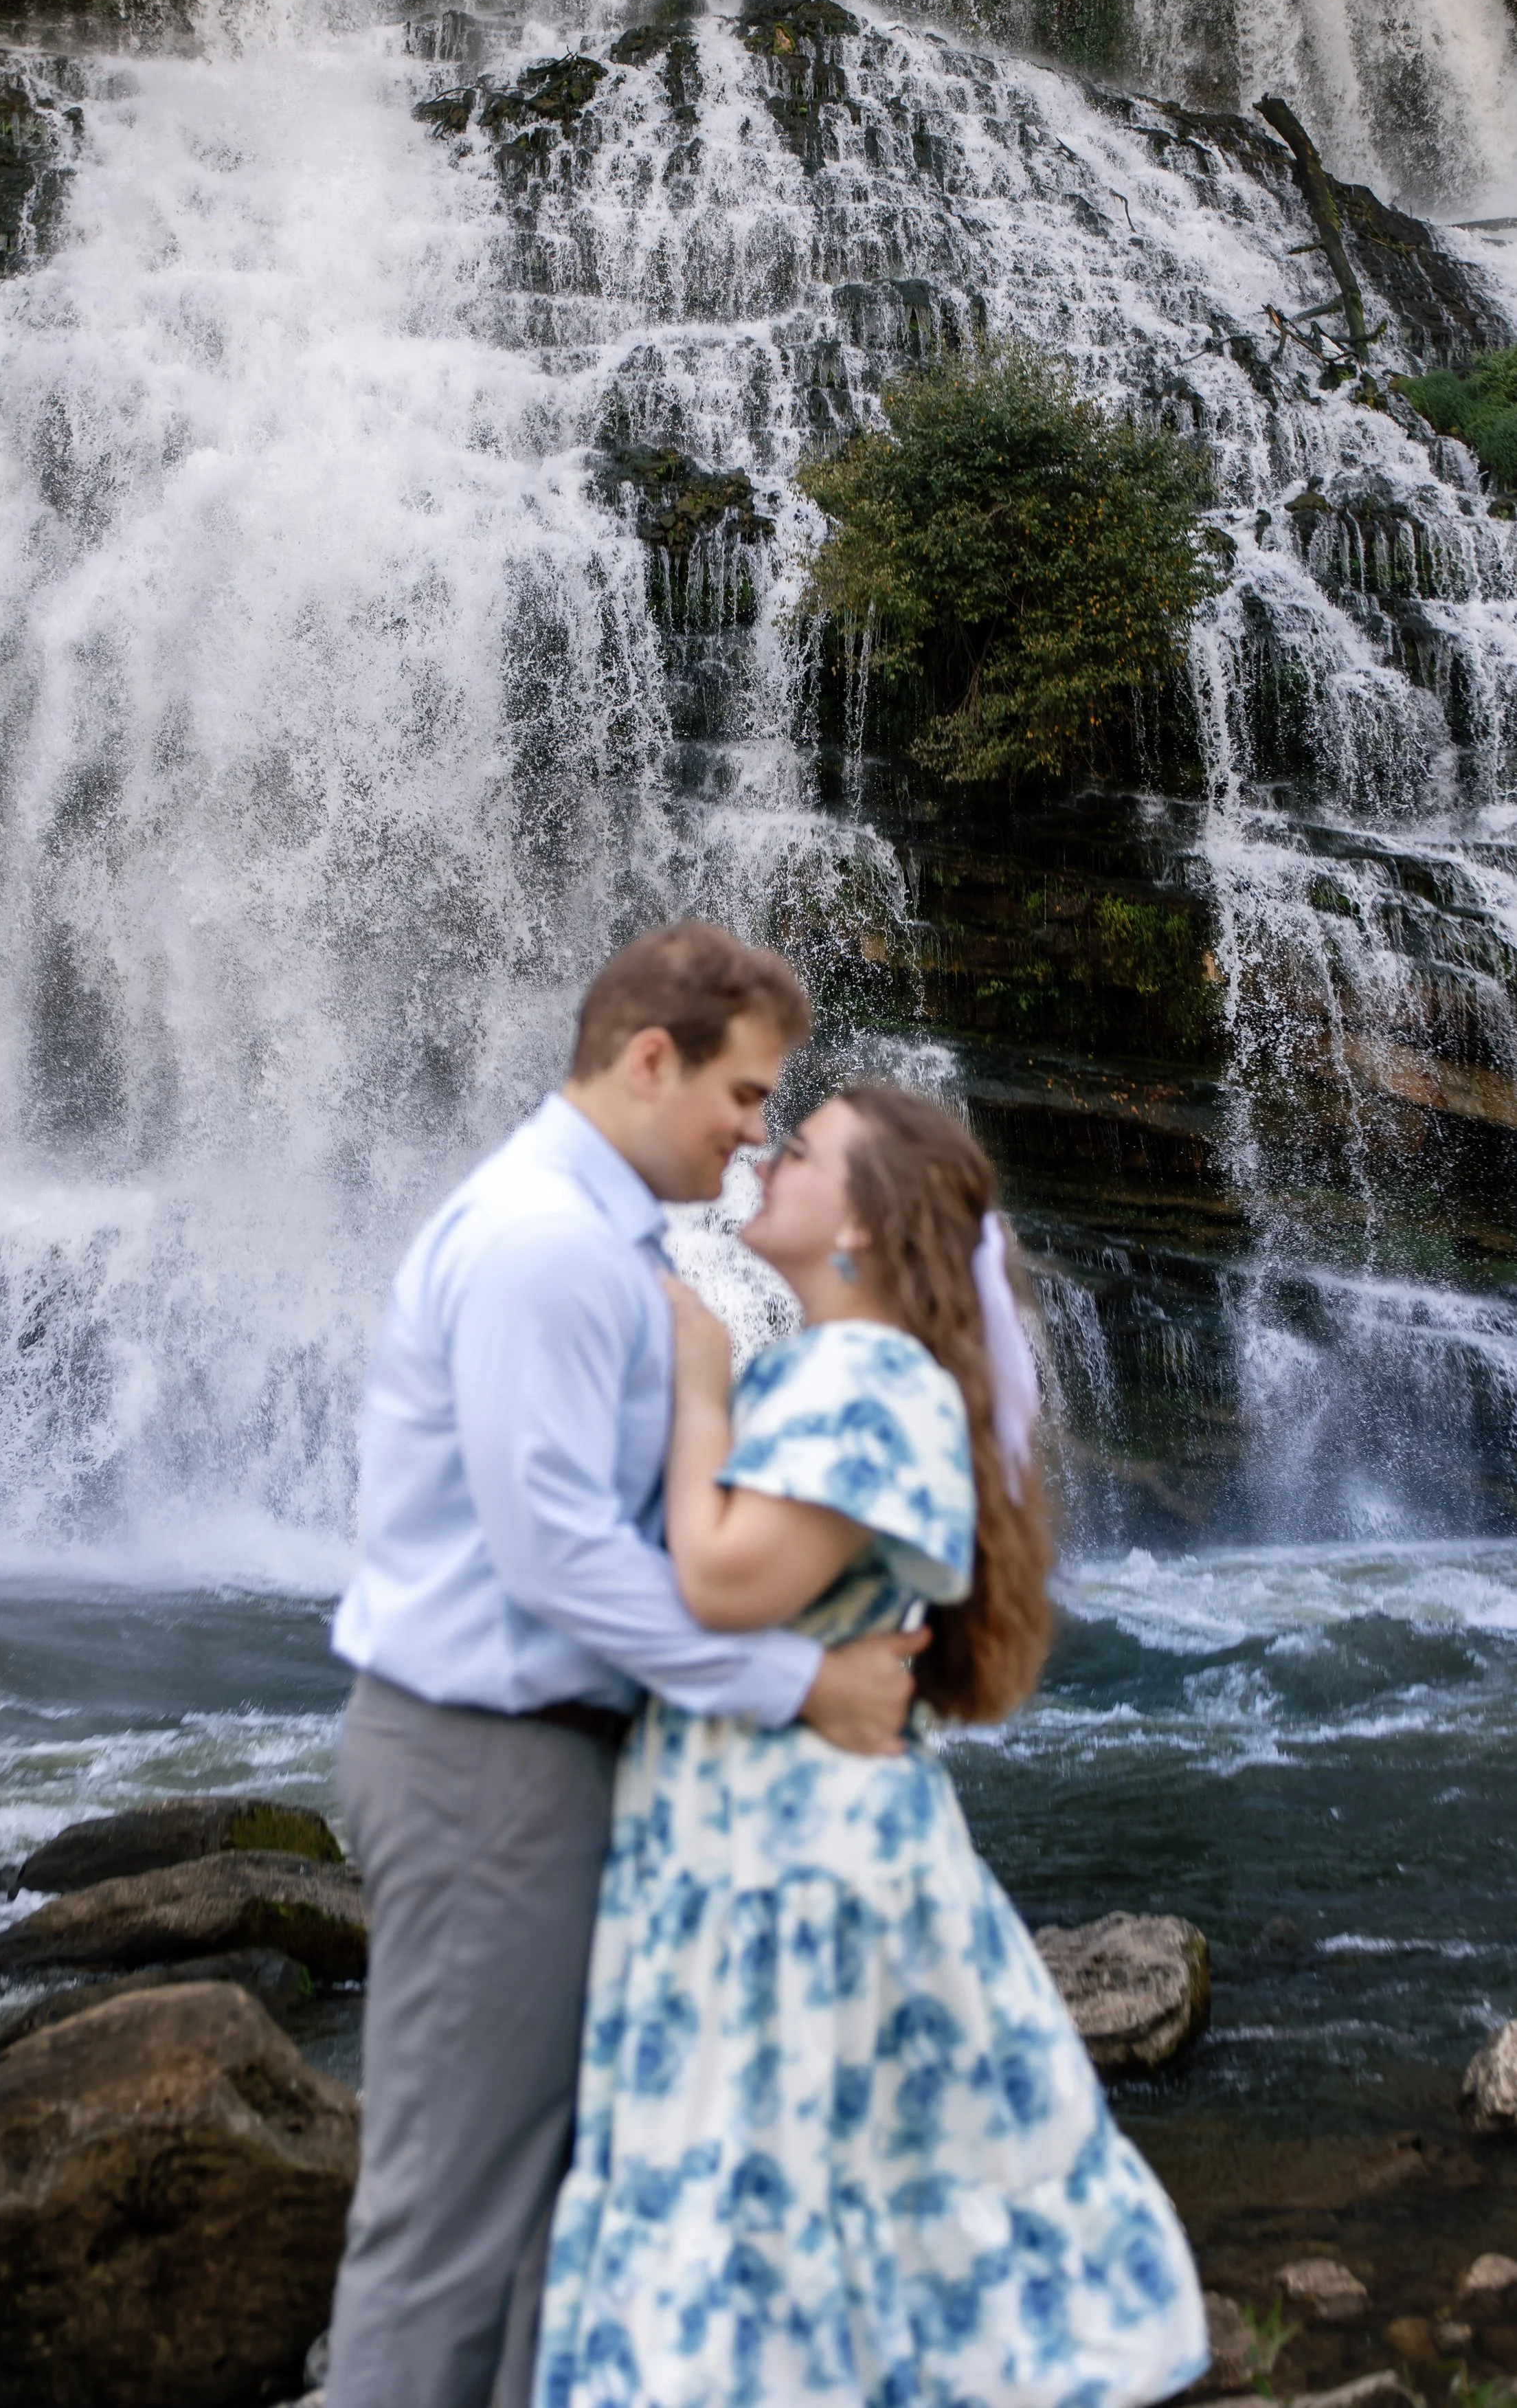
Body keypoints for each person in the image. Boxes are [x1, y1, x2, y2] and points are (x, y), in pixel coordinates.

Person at [324, 924, 929, 2408]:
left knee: (541, 2220)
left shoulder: (604, 1240)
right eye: (741, 1095)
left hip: (532, 1764)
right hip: (486, 1768)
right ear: (648, 1059)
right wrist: (801, 1685)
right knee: (447, 2231)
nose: (754, 1134)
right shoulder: (543, 1245)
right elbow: (557, 1562)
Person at [535, 1083, 1209, 2408]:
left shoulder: (875, 1378)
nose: (768, 1156)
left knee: (772, 2186)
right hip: (753, 1838)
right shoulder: (818, 1367)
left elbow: (722, 1579)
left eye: (804, 1152)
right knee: (812, 2195)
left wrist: (694, 1386)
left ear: (865, 1225)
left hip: (795, 1861)